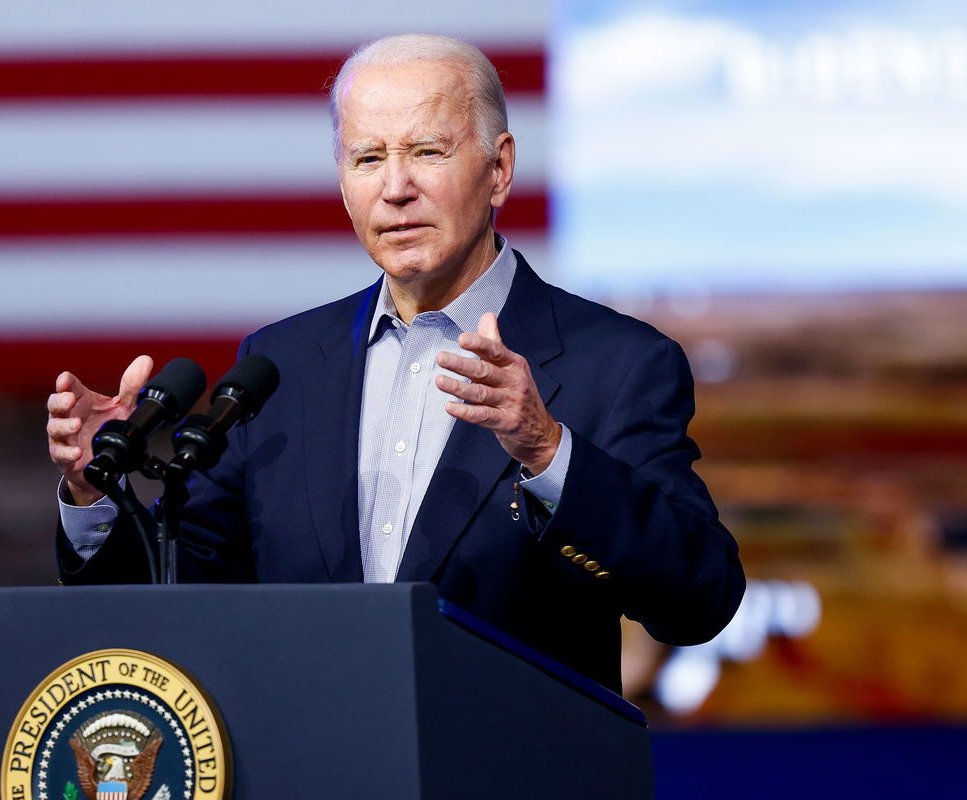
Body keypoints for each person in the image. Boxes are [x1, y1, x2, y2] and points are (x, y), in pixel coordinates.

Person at [46, 34, 745, 693]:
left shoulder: (617, 364)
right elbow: (178, 597)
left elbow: (699, 597)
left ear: (499, 169)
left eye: (428, 152)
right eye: (368, 158)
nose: (396, 188)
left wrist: (547, 450)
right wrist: (92, 493)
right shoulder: (280, 366)